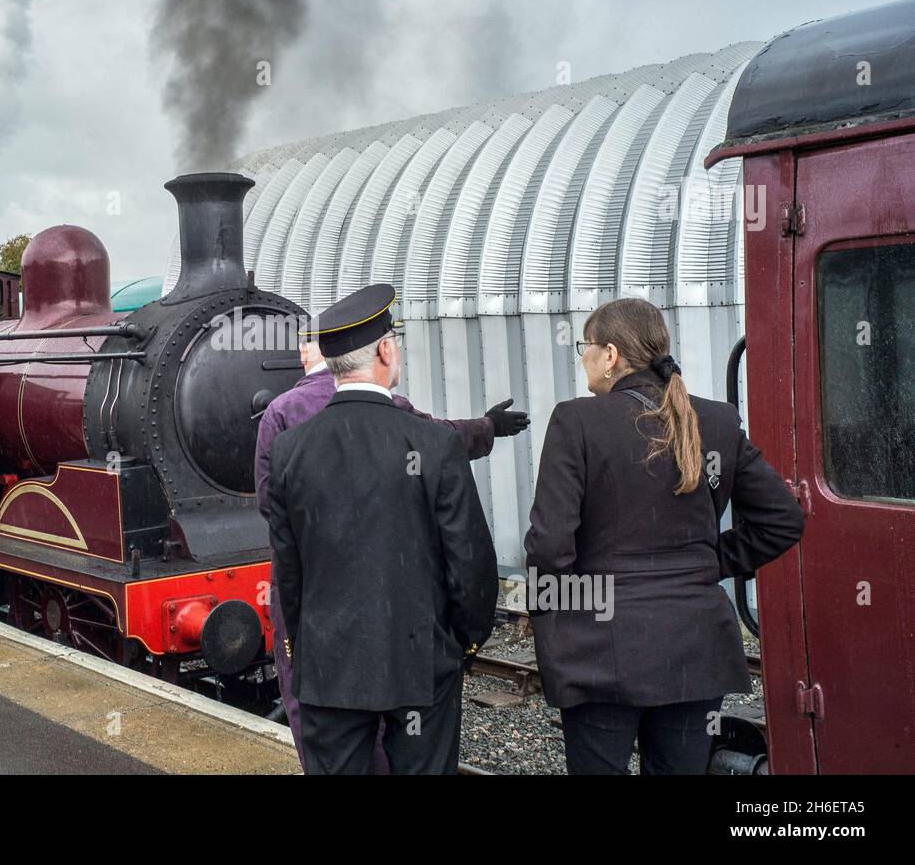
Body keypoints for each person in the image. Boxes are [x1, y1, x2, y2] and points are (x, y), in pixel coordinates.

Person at [524, 297, 804, 774]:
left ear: (610, 354)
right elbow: (783, 520)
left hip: (600, 651)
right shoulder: (716, 421)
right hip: (695, 649)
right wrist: (707, 563)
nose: (584, 359)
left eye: (584, 348)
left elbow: (550, 547)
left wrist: (551, 615)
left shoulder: (576, 421)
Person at [255, 299, 527, 771]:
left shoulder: (287, 448)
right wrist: (462, 644)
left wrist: (305, 644)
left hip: (329, 662)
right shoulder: (434, 443)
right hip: (419, 658)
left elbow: (289, 565)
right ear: (385, 351)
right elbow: (471, 563)